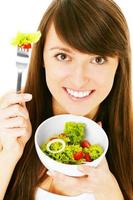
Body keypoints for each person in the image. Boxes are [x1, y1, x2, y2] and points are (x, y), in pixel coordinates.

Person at [0, 0, 132, 199]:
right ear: (42, 57)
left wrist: (108, 190)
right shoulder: (7, 124)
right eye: (62, 56)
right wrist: (8, 154)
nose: (79, 80)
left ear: (119, 64)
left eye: (98, 59)